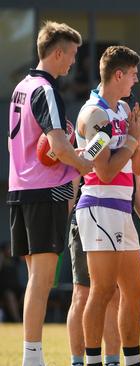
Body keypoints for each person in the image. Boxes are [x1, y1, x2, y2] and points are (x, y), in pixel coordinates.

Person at [7, 20, 93, 366]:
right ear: (57, 53)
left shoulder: (21, 86)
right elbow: (56, 144)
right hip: (45, 191)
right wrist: (83, 162)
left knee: (34, 280)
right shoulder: (45, 89)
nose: (73, 62)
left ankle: (32, 355)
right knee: (42, 282)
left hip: (19, 190)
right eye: (71, 55)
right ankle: (32, 358)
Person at [75, 45, 140, 366]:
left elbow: (138, 168)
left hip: (121, 208)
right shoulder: (95, 114)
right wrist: (133, 139)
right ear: (118, 74)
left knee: (135, 290)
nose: (136, 81)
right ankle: (94, 360)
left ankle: (132, 359)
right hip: (98, 206)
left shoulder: (122, 111)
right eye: (133, 75)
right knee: (103, 289)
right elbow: (105, 171)